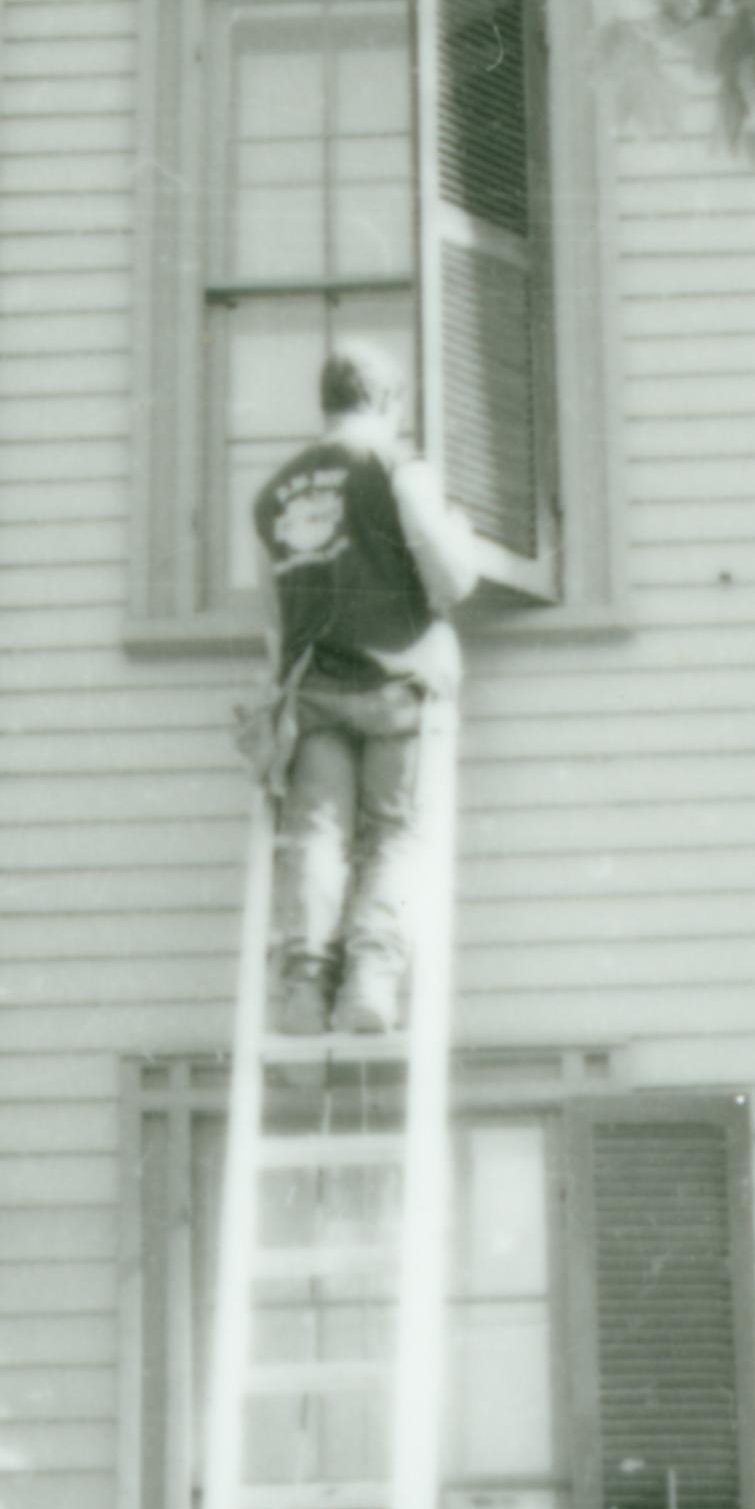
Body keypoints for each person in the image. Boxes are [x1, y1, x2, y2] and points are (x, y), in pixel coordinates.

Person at [249, 342, 479, 1037]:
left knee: (316, 837)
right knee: (392, 838)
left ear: (328, 402)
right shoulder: (396, 468)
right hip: (396, 685)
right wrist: (460, 536)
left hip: (314, 688)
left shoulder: (272, 495)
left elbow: (272, 617)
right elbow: (451, 579)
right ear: (387, 402)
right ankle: (370, 984)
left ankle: (303, 989)